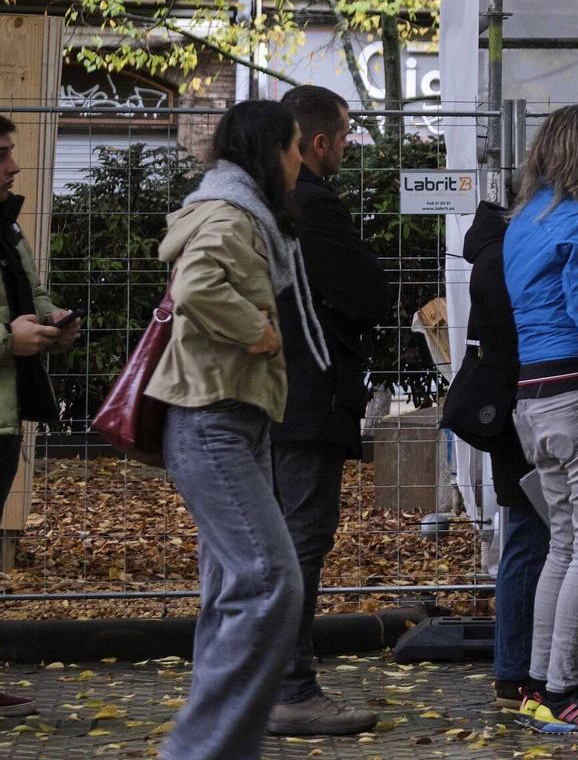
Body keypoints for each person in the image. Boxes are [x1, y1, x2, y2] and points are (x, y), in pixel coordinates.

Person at [150, 100, 310, 758]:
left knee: (231, 595)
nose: (302, 159)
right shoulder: (230, 214)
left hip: (233, 422)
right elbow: (195, 286)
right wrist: (259, 331)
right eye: (296, 146)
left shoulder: (247, 214)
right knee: (272, 581)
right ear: (270, 150)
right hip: (211, 422)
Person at [263, 86, 388, 736]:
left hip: (265, 398)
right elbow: (369, 291)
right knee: (299, 545)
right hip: (308, 400)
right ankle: (291, 685)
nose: (347, 144)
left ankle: (260, 680)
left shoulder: (261, 204)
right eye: (343, 135)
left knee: (270, 546)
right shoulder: (314, 208)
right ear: (316, 143)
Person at [504, 104, 578, 735]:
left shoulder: (523, 220)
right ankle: (566, 687)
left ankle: (538, 684)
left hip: (534, 395)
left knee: (566, 541)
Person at [0, 114, 78, 719]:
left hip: (6, 415)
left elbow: (33, 295)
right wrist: (9, 339)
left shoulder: (9, 227)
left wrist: (53, 323)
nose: (14, 165)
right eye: (2, 154)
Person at [462, 199, 552, 713]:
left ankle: (517, 668)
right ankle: (516, 671)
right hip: (521, 410)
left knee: (527, 536)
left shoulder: (493, 252)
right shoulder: (505, 256)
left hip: (511, 408)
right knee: (527, 535)